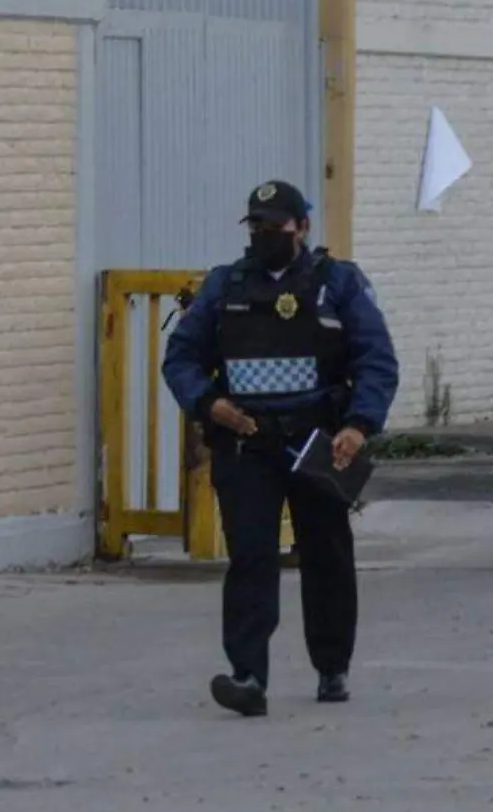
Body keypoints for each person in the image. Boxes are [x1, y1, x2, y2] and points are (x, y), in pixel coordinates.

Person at [161, 179, 399, 717]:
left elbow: (376, 360)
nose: (267, 235)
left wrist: (359, 426)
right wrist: (207, 404)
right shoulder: (225, 286)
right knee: (250, 558)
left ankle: (332, 666)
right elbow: (180, 358)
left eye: (278, 226)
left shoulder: (337, 283)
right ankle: (248, 675)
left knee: (327, 554)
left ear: (303, 227)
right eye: (258, 226)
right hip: (248, 442)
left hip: (319, 439)